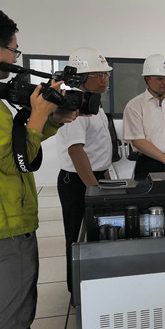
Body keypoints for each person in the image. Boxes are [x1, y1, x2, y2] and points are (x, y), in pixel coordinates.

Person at [0, 8, 78, 329]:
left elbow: (16, 147)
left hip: (3, 226)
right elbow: (16, 162)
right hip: (4, 232)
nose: (15, 57)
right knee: (8, 324)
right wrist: (39, 114)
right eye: (14, 50)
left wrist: (49, 120)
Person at [56, 47, 113, 296]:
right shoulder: (74, 106)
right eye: (99, 75)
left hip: (96, 177)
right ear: (80, 77)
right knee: (77, 238)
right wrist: (94, 188)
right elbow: (76, 151)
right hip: (79, 181)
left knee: (95, 236)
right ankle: (77, 293)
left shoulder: (93, 104)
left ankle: (93, 288)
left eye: (106, 74)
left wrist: (106, 178)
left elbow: (98, 149)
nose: (105, 80)